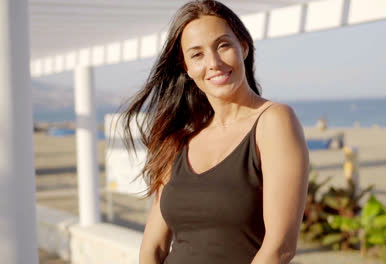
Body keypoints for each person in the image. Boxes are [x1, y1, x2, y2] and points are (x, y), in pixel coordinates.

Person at [120, 1, 309, 263]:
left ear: (243, 47)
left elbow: (280, 248)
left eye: (223, 45)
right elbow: (153, 249)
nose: (214, 63)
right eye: (197, 54)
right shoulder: (178, 139)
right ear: (186, 67)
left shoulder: (274, 121)